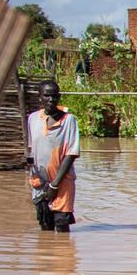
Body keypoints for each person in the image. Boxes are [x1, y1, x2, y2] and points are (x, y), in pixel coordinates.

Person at [26, 79, 80, 233]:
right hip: (39, 181)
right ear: (40, 97)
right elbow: (32, 149)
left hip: (62, 182)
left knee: (62, 224)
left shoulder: (69, 120)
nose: (51, 99)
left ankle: (63, 256)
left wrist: (54, 185)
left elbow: (71, 154)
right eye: (47, 96)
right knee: (45, 225)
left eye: (55, 96)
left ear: (59, 97)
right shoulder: (33, 119)